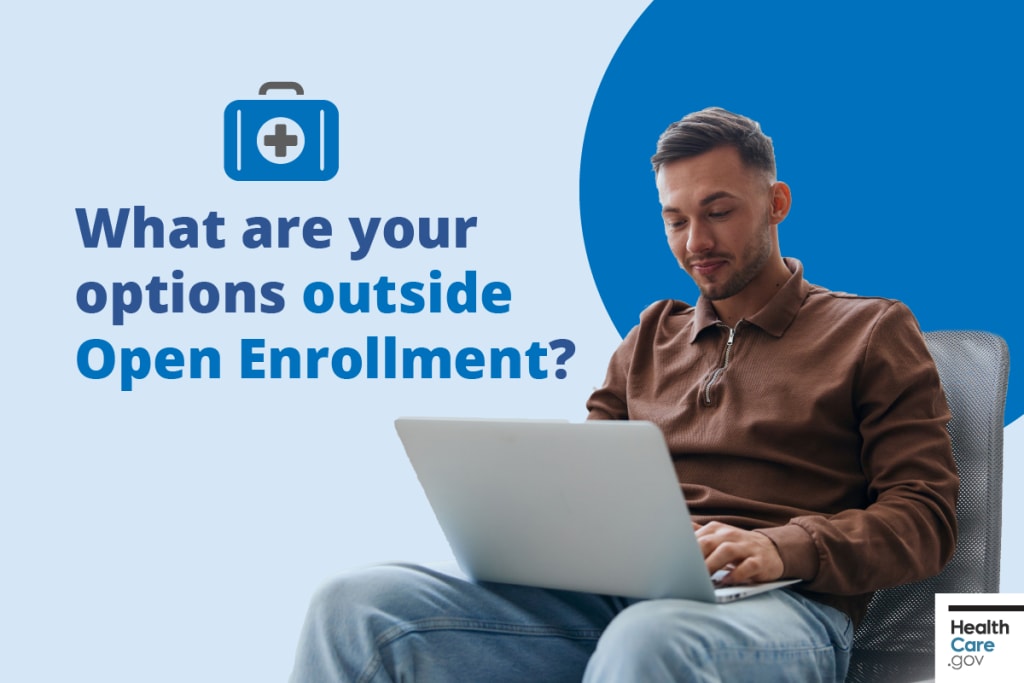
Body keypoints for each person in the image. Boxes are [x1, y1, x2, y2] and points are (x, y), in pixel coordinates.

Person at [288, 108, 959, 682]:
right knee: (354, 604)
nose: (696, 242)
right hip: (618, 599)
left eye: (719, 212)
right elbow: (580, 485)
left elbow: (926, 516)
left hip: (785, 611)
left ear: (777, 203)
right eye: (675, 219)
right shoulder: (649, 337)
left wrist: (784, 546)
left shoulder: (871, 329)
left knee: (650, 640)